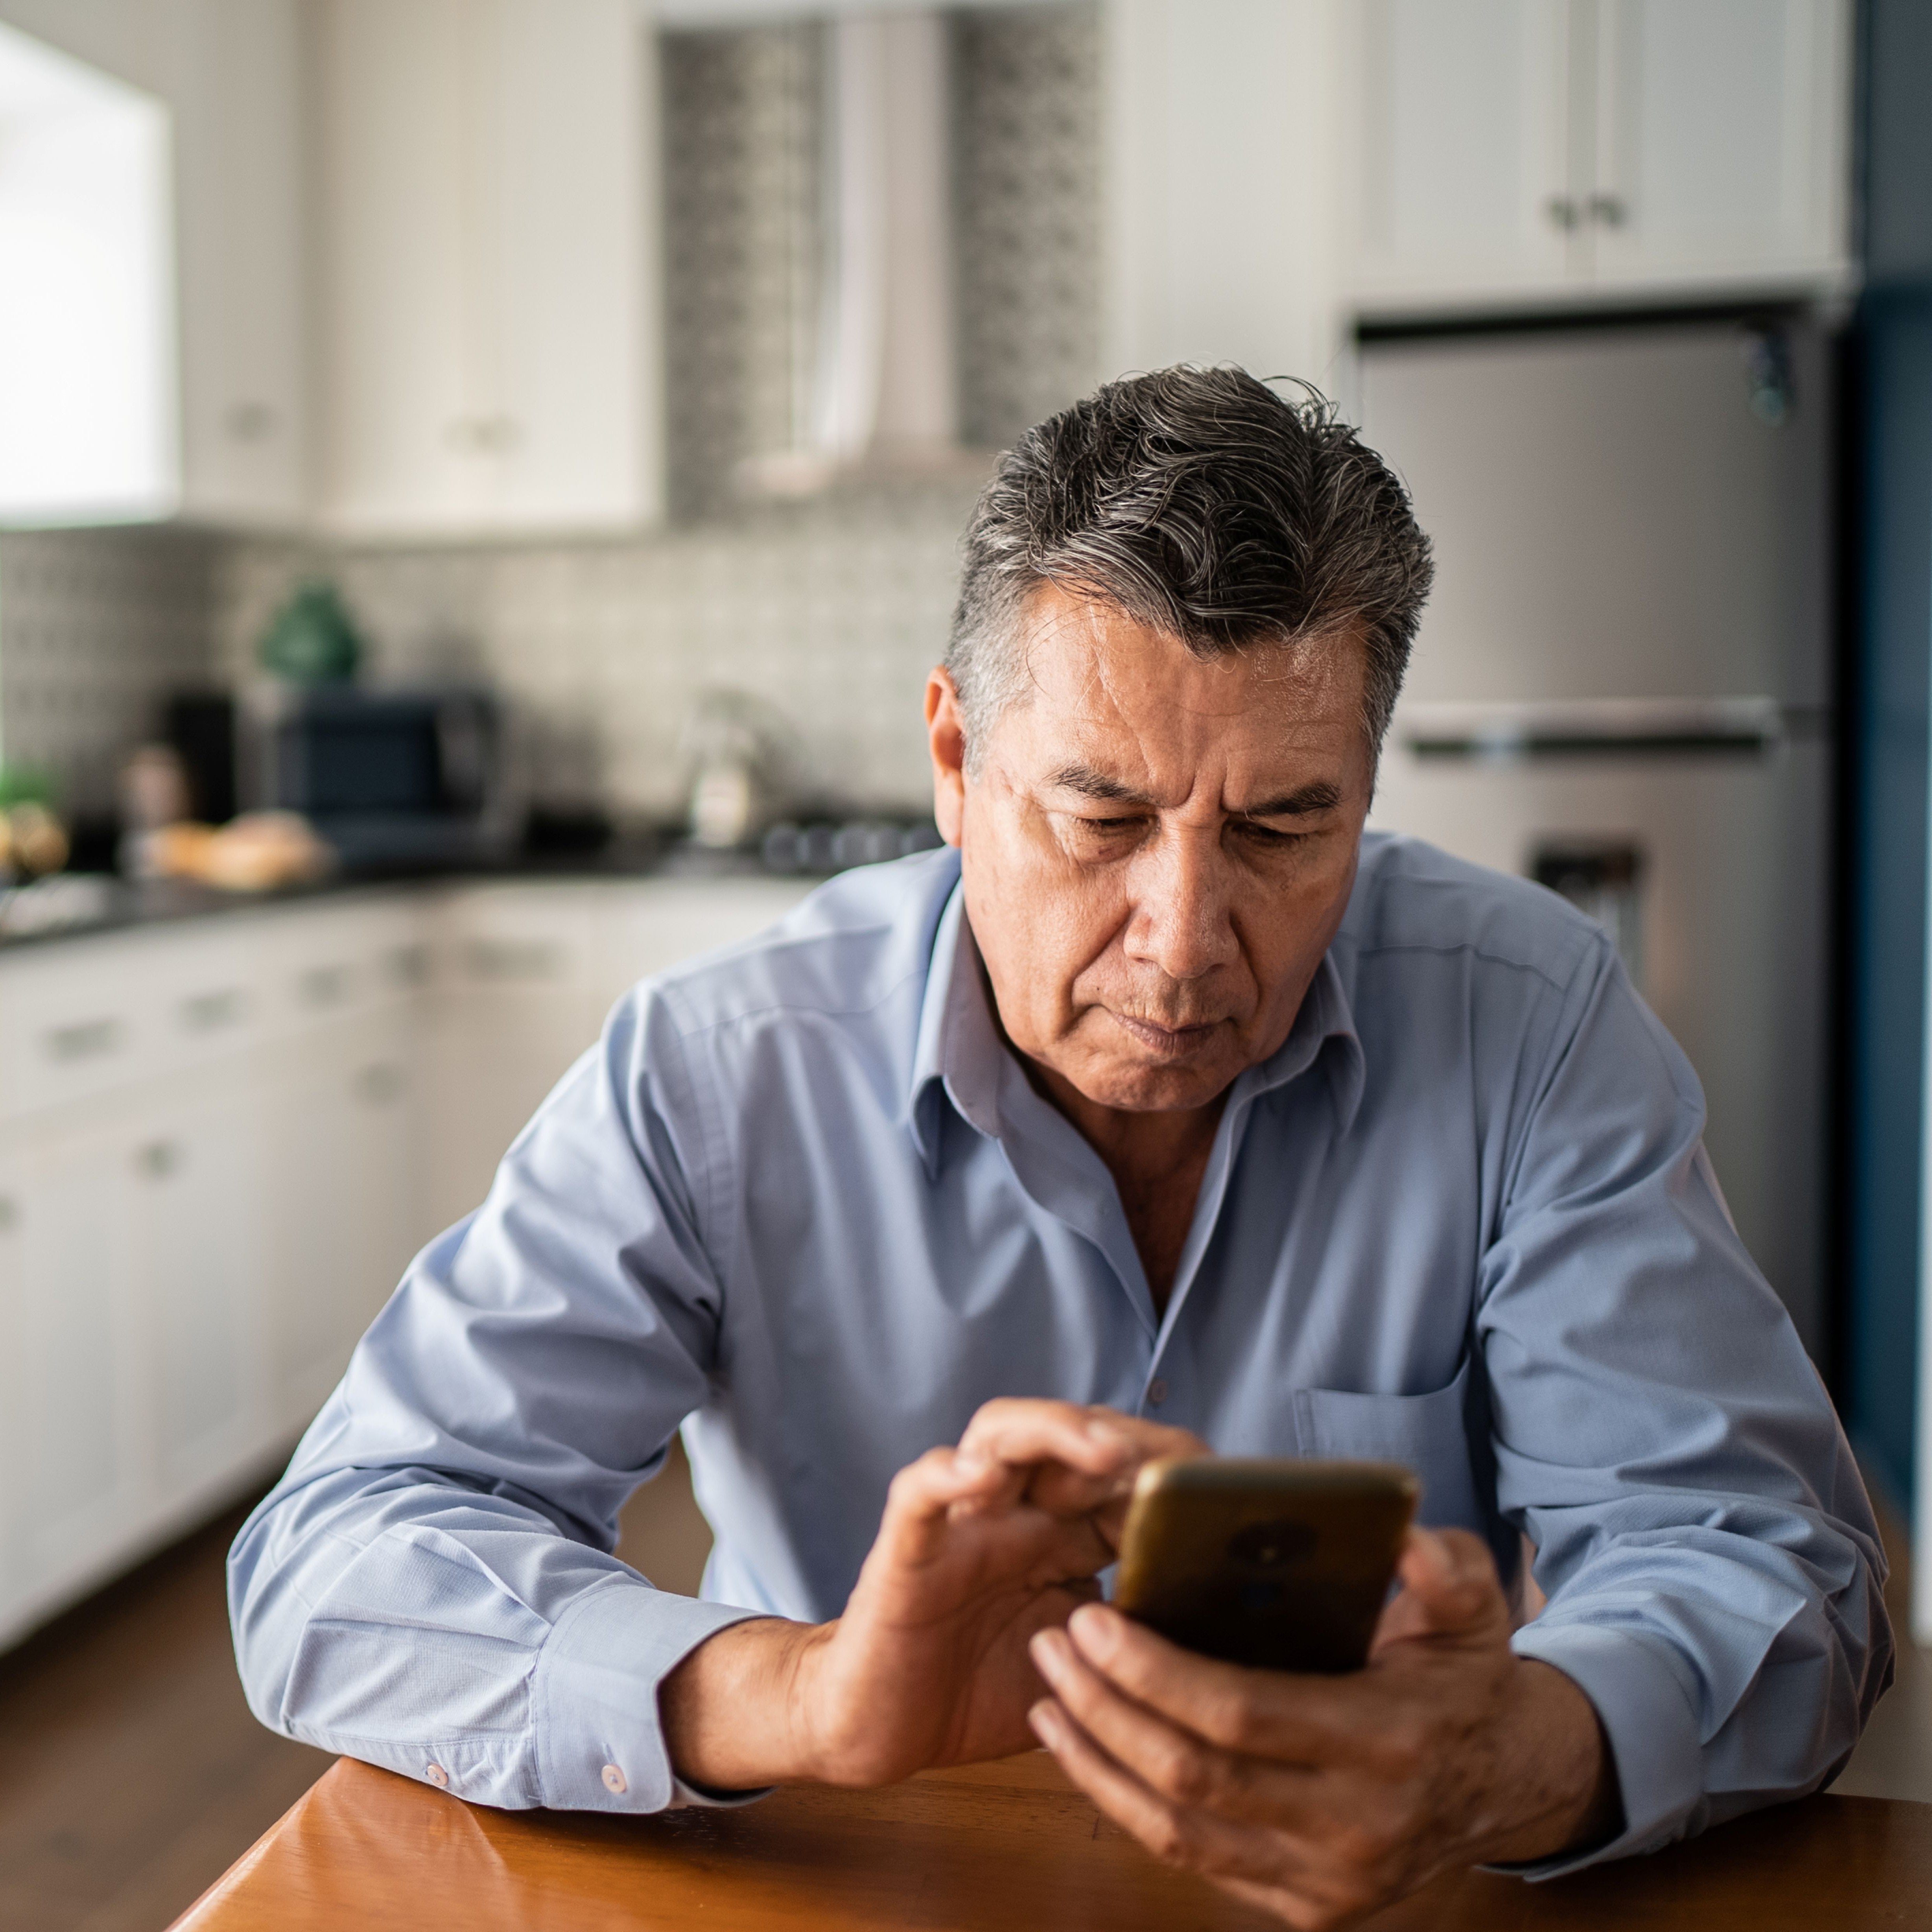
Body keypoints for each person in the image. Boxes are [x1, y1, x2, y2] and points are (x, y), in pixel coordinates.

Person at [230, 367, 1890, 1928]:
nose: (1181, 943)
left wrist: (1505, 1753)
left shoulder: (1532, 1023)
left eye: (1282, 825)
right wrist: (798, 1693)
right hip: (847, 1870)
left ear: (1368, 789)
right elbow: (342, 1550)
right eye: (1099, 817)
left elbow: (1773, 1566)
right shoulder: (717, 1065)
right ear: (955, 762)